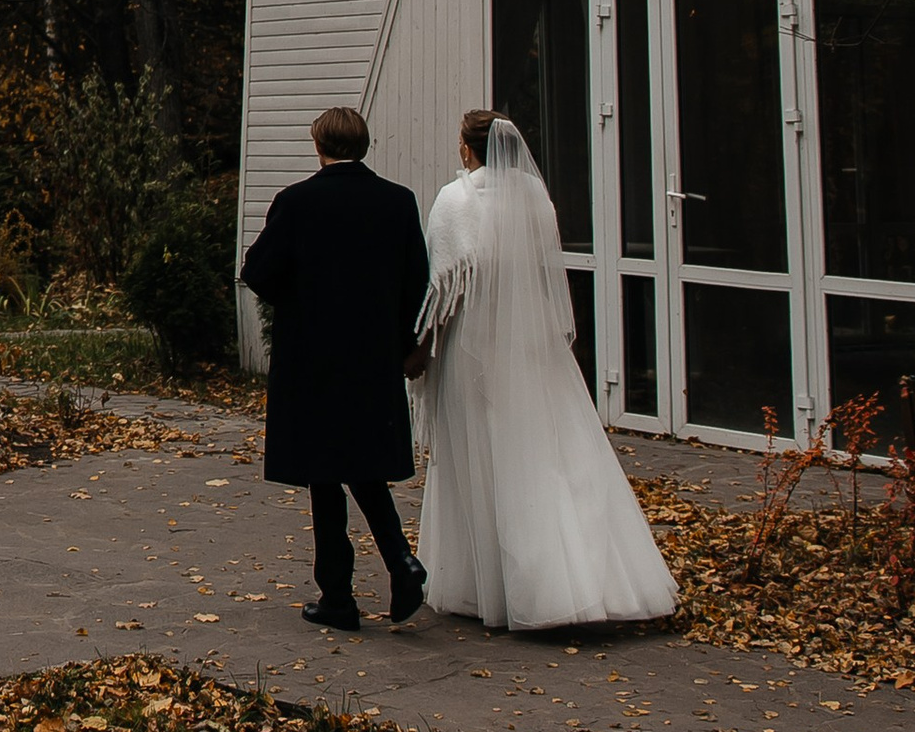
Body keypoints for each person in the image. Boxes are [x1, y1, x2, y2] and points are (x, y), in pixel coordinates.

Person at [416, 110, 678, 632]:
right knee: (546, 450)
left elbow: (443, 285)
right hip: (532, 340)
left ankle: (484, 582)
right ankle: (577, 578)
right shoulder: (535, 196)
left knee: (480, 453)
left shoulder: (455, 199)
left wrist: (420, 346)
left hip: (474, 340)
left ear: (469, 149)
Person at [242, 103, 431, 632]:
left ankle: (339, 595)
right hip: (372, 357)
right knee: (364, 465)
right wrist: (400, 340)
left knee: (324, 474)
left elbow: (257, 271)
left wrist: (299, 301)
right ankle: (399, 562)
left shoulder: (298, 203)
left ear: (319, 145)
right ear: (364, 145)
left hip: (313, 357)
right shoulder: (398, 202)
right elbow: (418, 280)